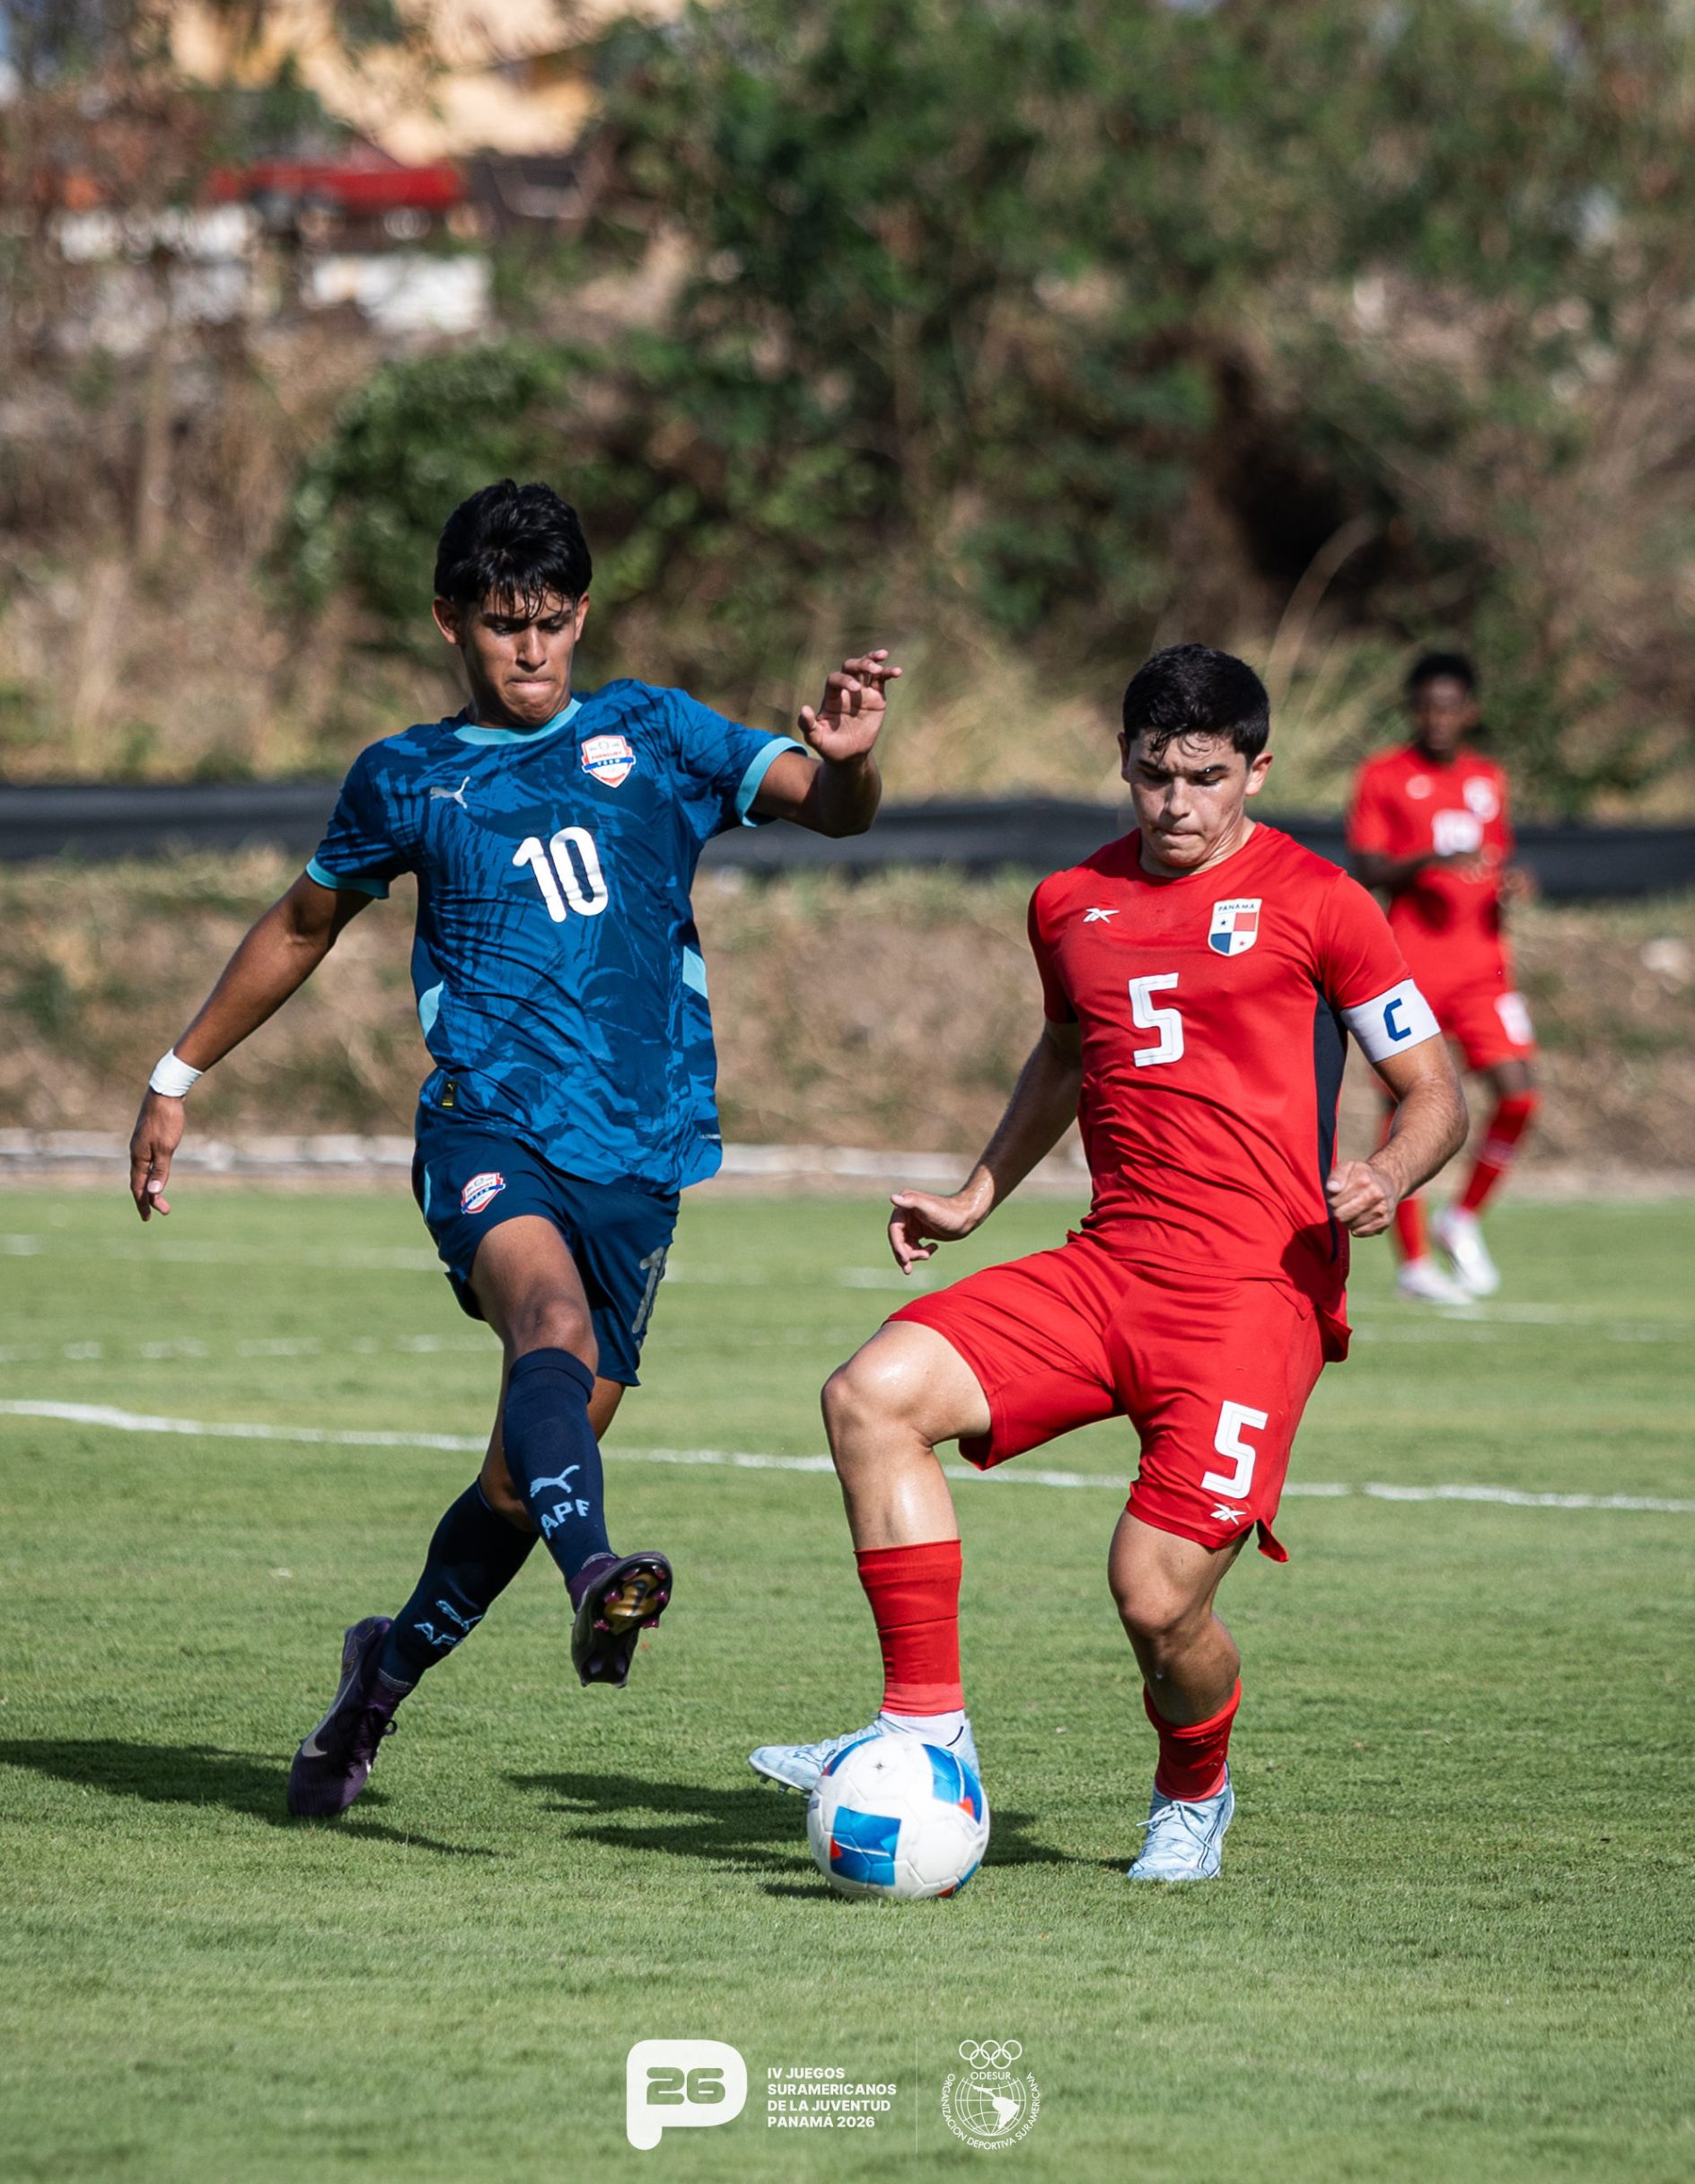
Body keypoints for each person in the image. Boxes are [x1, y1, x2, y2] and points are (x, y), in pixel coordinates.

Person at [127, 478, 899, 1818]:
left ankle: (378, 1680)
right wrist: (176, 1072)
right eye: (501, 624)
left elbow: (834, 813)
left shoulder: (654, 729)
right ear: (450, 624)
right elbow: (306, 924)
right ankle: (600, 1573)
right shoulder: (408, 775)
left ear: (583, 614)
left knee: (513, 1479)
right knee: (544, 1326)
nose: (531, 649)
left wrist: (846, 758)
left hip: (640, 1158)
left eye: (550, 621)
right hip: (488, 1127)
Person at [748, 644, 1467, 1882]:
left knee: (1154, 1597)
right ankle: (925, 1732)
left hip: (1255, 1296)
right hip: (1107, 1268)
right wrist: (979, 1193)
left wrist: (1389, 1176)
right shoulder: (1070, 902)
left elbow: (1433, 1093)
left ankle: (1195, 1790)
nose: (1177, 805)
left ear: (1258, 769)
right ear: (1122, 762)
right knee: (871, 1395)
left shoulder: (1325, 902)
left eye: (1205, 776)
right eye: (1153, 775)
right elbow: (1067, 1054)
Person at [1348, 653, 1539, 1303]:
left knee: (1520, 1095)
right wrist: (1429, 860)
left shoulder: (1489, 778)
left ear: (1470, 712)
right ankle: (1415, 1263)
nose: (1438, 718)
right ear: (1412, 709)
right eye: (1427, 706)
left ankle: (1462, 1217)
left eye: (1450, 706)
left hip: (1484, 966)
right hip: (1413, 966)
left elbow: (1495, 863)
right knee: (1406, 1106)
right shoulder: (1384, 776)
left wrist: (1510, 885)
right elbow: (1366, 867)